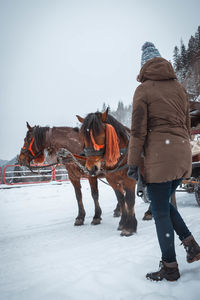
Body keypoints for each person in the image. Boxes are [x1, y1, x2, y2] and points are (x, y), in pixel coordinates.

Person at [127, 41, 200, 282]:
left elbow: (138, 131)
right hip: (182, 155)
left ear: (143, 66)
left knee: (159, 211)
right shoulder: (179, 88)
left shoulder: (144, 89)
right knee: (164, 205)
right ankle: (191, 245)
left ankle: (170, 267)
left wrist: (133, 161)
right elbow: (187, 125)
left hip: (160, 158)